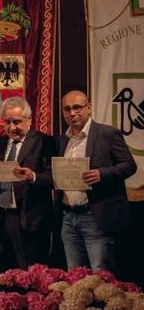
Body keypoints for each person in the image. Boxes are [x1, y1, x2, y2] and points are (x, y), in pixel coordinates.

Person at [55, 89, 134, 272]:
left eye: (77, 107)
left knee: (101, 275)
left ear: (89, 108)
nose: (72, 113)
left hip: (96, 216)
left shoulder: (107, 133)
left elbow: (130, 165)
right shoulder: (62, 140)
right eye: (67, 109)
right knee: (74, 276)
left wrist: (101, 174)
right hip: (68, 217)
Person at [0, 96, 56, 272]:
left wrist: (33, 176)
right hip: (0, 217)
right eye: (7, 122)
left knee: (32, 274)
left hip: (30, 219)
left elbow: (54, 178)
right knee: (4, 273)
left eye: (17, 122)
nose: (12, 127)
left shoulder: (45, 142)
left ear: (29, 120)